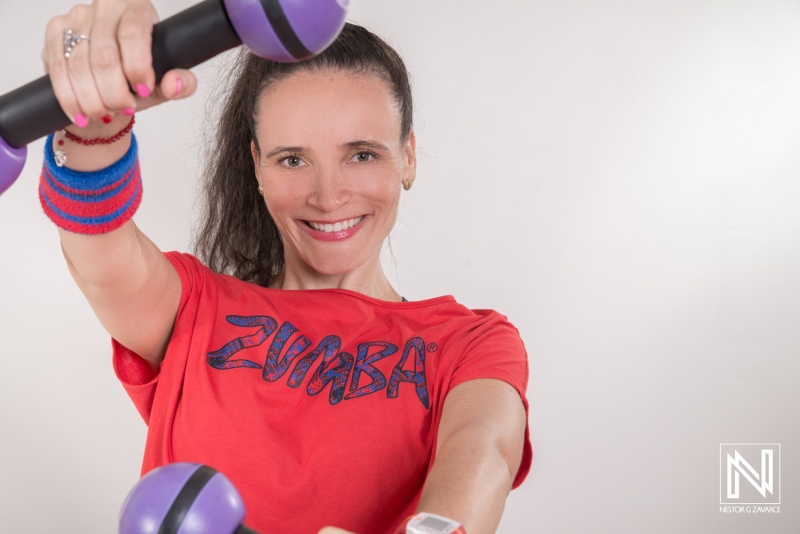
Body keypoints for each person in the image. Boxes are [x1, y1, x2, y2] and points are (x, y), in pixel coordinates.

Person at [39, 1, 532, 533]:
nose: (329, 196)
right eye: (293, 159)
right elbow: (100, 258)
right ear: (257, 166)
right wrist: (92, 128)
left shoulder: (470, 343)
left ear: (407, 156)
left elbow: (483, 449)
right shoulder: (194, 309)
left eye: (362, 154)